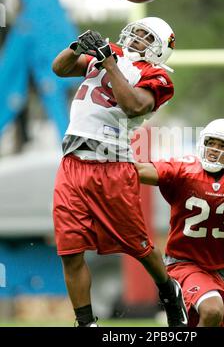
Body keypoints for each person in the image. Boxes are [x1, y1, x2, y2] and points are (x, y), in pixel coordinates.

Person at [51, 17, 187, 327]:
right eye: (136, 31)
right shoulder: (109, 52)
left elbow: (133, 106)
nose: (136, 37)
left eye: (145, 36)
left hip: (112, 166)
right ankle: (86, 322)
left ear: (159, 49)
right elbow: (59, 69)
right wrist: (76, 48)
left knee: (138, 245)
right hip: (72, 164)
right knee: (70, 250)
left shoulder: (157, 76)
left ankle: (169, 290)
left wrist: (109, 63)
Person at [135, 118, 224, 327]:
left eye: (222, 145)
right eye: (211, 143)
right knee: (212, 309)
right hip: (186, 264)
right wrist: (108, 166)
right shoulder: (184, 170)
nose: (214, 150)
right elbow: (141, 171)